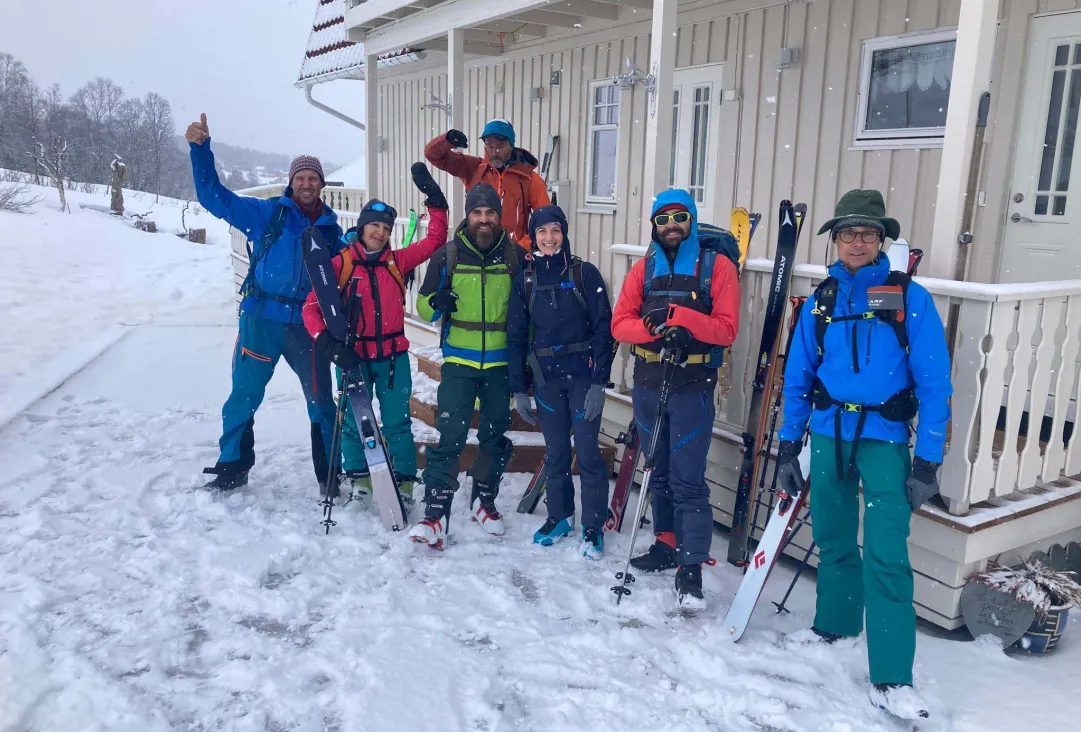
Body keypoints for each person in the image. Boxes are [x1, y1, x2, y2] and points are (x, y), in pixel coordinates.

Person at [774, 189, 951, 721]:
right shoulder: (823, 300)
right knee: (831, 535)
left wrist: (928, 461)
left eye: (868, 234)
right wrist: (789, 442)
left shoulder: (901, 298)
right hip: (828, 434)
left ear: (881, 242)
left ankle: (893, 676)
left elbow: (936, 381)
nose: (857, 241)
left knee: (886, 553)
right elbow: (798, 376)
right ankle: (836, 623)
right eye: (849, 233)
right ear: (835, 240)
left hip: (884, 440)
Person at [187, 113, 341, 491]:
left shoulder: (332, 231)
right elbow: (213, 197)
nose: (306, 184)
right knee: (244, 395)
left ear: (321, 185)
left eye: (313, 178)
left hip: (308, 326)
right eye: (300, 178)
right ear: (291, 183)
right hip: (261, 319)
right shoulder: (268, 213)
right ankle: (232, 467)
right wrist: (200, 151)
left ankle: (330, 474)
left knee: (322, 402)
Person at [610, 189, 741, 611]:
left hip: (692, 385)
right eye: (663, 218)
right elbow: (620, 324)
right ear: (654, 225)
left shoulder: (716, 268)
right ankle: (665, 544)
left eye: (679, 216)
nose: (671, 225)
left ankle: (691, 567)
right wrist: (655, 330)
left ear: (692, 220)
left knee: (687, 479)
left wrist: (681, 321)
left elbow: (725, 329)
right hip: (649, 380)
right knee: (658, 470)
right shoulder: (642, 270)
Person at [301, 163, 449, 506]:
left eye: (385, 227)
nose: (380, 233)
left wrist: (436, 203)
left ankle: (406, 484)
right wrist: (327, 343)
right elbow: (311, 309)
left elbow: (435, 240)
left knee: (397, 423)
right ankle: (361, 482)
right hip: (352, 358)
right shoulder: (339, 265)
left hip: (393, 359)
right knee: (353, 424)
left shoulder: (397, 262)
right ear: (362, 227)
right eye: (374, 226)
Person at [408, 183, 521, 549]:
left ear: (497, 217)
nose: (484, 220)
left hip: (501, 365)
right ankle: (436, 512)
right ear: (468, 216)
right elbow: (423, 307)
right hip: (459, 362)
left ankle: (483, 501)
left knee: (494, 435)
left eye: (490, 213)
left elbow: (527, 314)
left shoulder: (515, 256)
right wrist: (437, 301)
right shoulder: (448, 255)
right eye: (477, 213)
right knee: (449, 436)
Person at [506, 205, 614, 559]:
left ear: (563, 233)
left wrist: (600, 381)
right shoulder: (525, 278)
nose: (549, 238)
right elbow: (516, 334)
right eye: (541, 232)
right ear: (533, 237)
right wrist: (519, 386)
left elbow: (604, 330)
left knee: (587, 454)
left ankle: (594, 524)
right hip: (547, 380)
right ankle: (560, 516)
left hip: (582, 378)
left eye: (554, 230)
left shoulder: (586, 274)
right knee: (555, 453)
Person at [424, 119, 551, 249]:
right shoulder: (474, 169)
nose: (495, 151)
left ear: (511, 146)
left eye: (500, 146)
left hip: (513, 257)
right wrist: (448, 140)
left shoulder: (529, 179)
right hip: (476, 254)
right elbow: (432, 155)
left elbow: (547, 220)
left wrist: (521, 249)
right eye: (490, 146)